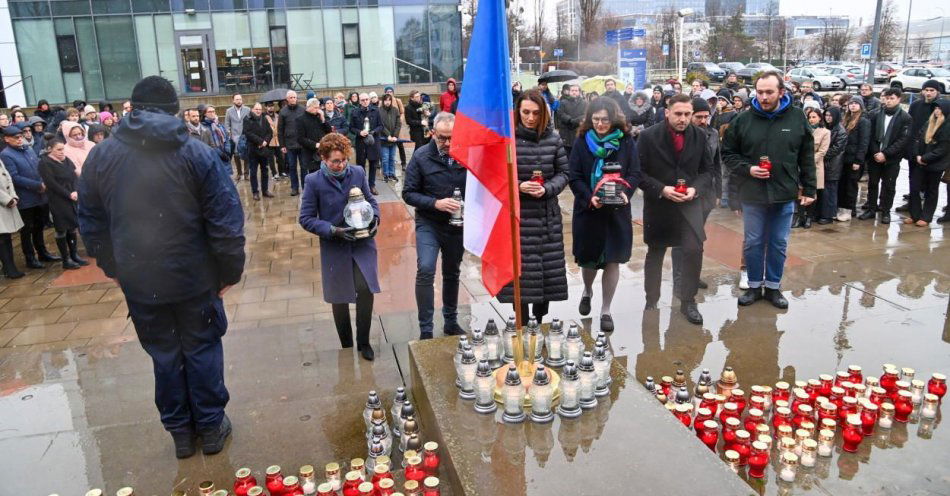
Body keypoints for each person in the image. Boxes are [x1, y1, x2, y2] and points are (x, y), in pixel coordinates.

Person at [78, 76, 245, 459]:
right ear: (174, 111)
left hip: (143, 278)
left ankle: (184, 432)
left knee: (165, 353)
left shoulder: (102, 156)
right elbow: (226, 222)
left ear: (133, 109)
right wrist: (228, 273)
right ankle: (208, 425)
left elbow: (90, 222)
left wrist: (113, 267)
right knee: (200, 348)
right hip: (193, 277)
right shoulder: (195, 152)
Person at [722, 71, 816, 309]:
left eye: (769, 92)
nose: (763, 97)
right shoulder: (743, 120)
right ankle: (754, 286)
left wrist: (810, 189)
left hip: (784, 193)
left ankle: (773, 287)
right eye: (760, 92)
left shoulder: (796, 118)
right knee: (753, 242)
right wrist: (749, 169)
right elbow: (728, 154)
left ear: (781, 92)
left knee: (778, 242)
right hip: (752, 194)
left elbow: (806, 156)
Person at [299, 133, 380, 361]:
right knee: (339, 297)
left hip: (362, 242)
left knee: (365, 289)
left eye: (344, 159)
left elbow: (371, 202)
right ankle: (346, 345)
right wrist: (333, 230)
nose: (341, 164)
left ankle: (363, 342)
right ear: (323, 158)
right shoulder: (313, 181)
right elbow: (305, 218)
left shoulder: (358, 172)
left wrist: (374, 219)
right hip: (335, 245)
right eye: (335, 161)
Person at [637, 94, 712, 324]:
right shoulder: (648, 136)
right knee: (656, 254)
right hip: (659, 206)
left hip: (689, 205)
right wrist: (661, 189)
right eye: (678, 114)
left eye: (687, 114)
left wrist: (695, 190)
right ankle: (652, 299)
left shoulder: (699, 135)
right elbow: (638, 173)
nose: (683, 119)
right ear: (667, 112)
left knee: (692, 250)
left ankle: (688, 301)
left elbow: (706, 171)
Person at [496, 90, 570, 325]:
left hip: (546, 217)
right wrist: (518, 185)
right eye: (526, 112)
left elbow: (564, 173)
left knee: (545, 274)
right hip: (517, 217)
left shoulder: (553, 139)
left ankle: (539, 321)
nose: (530, 117)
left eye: (536, 113)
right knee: (520, 275)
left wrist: (547, 188)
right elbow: (497, 175)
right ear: (518, 112)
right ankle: (521, 322)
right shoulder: (507, 140)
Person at [569, 98, 641, 332]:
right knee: (589, 258)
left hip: (617, 212)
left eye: (605, 120)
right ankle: (588, 291)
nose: (600, 124)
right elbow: (575, 176)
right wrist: (590, 197)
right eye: (596, 119)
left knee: (613, 259)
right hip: (589, 210)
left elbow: (634, 172)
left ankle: (606, 310)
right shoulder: (581, 141)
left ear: (614, 120)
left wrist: (626, 192)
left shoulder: (626, 141)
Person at [402, 112, 467, 339]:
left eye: (452, 138)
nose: (448, 143)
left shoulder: (466, 154)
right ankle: (426, 329)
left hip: (457, 224)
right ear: (433, 133)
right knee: (426, 269)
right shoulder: (421, 156)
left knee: (452, 272)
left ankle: (450, 321)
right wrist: (435, 203)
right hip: (429, 222)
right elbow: (408, 193)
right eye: (442, 138)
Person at [2, 125, 58, 268]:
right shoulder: (6, 154)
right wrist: (37, 185)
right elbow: (14, 177)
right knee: (27, 229)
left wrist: (44, 181)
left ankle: (43, 252)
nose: (20, 139)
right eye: (16, 137)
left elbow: (38, 167)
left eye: (21, 136)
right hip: (26, 198)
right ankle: (30, 257)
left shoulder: (28, 149)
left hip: (40, 195)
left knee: (39, 226)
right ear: (7, 139)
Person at [858, 88, 911, 224]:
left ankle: (886, 210)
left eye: (892, 98)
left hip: (891, 159)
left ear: (899, 99)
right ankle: (871, 208)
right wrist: (876, 152)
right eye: (887, 98)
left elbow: (903, 140)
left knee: (889, 185)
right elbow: (869, 136)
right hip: (875, 156)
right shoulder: (875, 114)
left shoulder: (905, 117)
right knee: (873, 183)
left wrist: (886, 154)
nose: (888, 101)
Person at [38, 138, 87, 270]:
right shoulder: (45, 163)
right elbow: (51, 183)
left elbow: (74, 175)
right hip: (58, 199)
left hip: (72, 196)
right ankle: (66, 259)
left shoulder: (66, 160)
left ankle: (74, 254)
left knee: (72, 226)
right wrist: (68, 194)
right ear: (50, 149)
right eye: (58, 150)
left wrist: (76, 190)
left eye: (62, 149)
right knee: (62, 228)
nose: (61, 152)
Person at [898, 80, 941, 216]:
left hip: (931, 150)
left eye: (931, 90)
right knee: (913, 178)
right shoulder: (916, 105)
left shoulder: (940, 107)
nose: (928, 93)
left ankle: (926, 209)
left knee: (929, 182)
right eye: (926, 90)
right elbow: (910, 126)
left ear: (937, 92)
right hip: (914, 147)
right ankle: (913, 202)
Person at [908, 99, 950, 226]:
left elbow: (942, 149)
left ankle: (926, 216)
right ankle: (915, 215)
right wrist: (917, 155)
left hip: (935, 164)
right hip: (920, 161)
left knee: (931, 191)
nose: (937, 111)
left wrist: (925, 158)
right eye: (935, 108)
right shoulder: (929, 122)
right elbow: (917, 138)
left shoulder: (947, 126)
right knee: (914, 188)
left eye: (939, 109)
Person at [795, 107, 830, 229]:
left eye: (814, 117)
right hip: (800, 166)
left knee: (812, 192)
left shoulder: (825, 132)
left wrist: (808, 160)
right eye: (809, 117)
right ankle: (800, 217)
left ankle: (809, 218)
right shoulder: (803, 130)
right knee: (799, 191)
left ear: (820, 118)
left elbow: (822, 151)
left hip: (815, 165)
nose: (811, 119)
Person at [836, 97, 870, 222]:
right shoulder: (845, 119)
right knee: (842, 184)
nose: (853, 106)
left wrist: (858, 161)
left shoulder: (863, 121)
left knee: (851, 185)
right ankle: (841, 208)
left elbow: (864, 143)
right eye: (851, 104)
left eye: (856, 103)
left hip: (854, 159)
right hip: (843, 158)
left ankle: (849, 210)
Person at [815, 107, 847, 224]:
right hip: (823, 163)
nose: (828, 117)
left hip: (832, 165)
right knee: (822, 190)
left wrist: (821, 154)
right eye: (826, 115)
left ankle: (828, 215)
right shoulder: (825, 127)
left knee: (830, 190)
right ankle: (820, 213)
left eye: (830, 115)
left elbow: (836, 149)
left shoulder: (840, 131)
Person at [348, 93, 383, 196]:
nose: (365, 101)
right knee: (361, 166)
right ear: (359, 101)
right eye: (363, 100)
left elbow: (381, 126)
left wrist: (373, 132)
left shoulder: (376, 110)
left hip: (373, 142)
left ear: (369, 100)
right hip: (361, 142)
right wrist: (359, 132)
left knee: (373, 164)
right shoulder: (354, 112)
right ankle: (363, 186)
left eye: (367, 99)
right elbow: (351, 127)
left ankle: (372, 185)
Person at [243, 102, 275, 200]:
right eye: (256, 109)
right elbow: (248, 133)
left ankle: (265, 190)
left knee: (265, 170)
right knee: (253, 172)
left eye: (260, 109)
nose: (258, 111)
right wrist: (261, 141)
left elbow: (270, 132)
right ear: (252, 109)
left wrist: (266, 141)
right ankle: (255, 192)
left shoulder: (264, 119)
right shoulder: (247, 119)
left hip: (264, 149)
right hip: (253, 149)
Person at [0, 157, 25, 278]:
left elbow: (8, 177)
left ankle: (9, 267)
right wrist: (7, 199)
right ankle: (9, 269)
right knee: (2, 239)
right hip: (3, 203)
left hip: (7, 203)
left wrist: (13, 196)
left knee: (6, 237)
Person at [278, 90, 306, 195]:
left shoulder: (303, 109)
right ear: (287, 99)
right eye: (291, 97)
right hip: (289, 144)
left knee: (304, 166)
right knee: (292, 167)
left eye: (294, 97)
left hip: (302, 144)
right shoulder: (283, 112)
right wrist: (282, 145)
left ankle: (305, 187)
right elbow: (280, 130)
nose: (293, 99)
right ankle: (294, 187)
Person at [297, 97, 331, 177]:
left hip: (323, 152)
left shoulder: (319, 117)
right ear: (309, 107)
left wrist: (323, 119)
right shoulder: (300, 119)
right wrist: (315, 144)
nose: (318, 110)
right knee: (314, 177)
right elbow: (300, 138)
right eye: (315, 108)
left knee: (326, 176)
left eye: (318, 107)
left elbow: (329, 131)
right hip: (310, 154)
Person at [225, 94, 250, 181]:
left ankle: (247, 174)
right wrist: (228, 134)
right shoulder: (229, 111)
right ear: (233, 101)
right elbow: (227, 124)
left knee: (246, 154)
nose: (239, 101)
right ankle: (239, 173)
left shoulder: (247, 109)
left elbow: (251, 121)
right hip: (235, 136)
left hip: (245, 135)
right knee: (236, 155)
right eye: (237, 99)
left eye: (240, 99)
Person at [556, 84, 586, 156]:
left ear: (579, 92)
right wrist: (569, 120)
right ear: (569, 92)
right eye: (572, 90)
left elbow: (585, 115)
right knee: (566, 154)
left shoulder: (584, 103)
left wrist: (575, 121)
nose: (574, 92)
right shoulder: (563, 102)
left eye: (576, 90)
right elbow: (560, 114)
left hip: (578, 130)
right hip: (566, 131)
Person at [378, 93, 402, 183]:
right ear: (383, 101)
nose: (387, 102)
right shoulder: (379, 111)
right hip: (384, 139)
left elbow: (398, 124)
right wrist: (388, 135)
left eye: (389, 100)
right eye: (385, 100)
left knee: (392, 157)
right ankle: (386, 174)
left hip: (393, 139)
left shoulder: (395, 110)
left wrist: (395, 136)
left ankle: (392, 173)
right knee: (385, 158)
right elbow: (381, 125)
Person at [384, 86, 408, 168]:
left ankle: (403, 163)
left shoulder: (398, 101)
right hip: (387, 127)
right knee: (386, 146)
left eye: (391, 91)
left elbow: (402, 112)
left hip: (397, 128)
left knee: (400, 145)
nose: (389, 93)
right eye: (387, 91)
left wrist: (400, 121)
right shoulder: (383, 102)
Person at [264, 102, 284, 179]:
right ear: (266, 107)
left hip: (278, 139)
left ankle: (281, 172)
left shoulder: (277, 116)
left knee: (280, 157)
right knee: (271, 159)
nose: (271, 107)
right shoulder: (264, 117)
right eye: (269, 106)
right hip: (269, 140)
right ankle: (274, 173)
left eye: (272, 106)